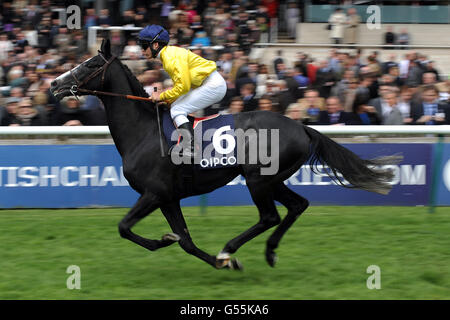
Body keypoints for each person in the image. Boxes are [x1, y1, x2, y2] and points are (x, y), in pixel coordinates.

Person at [138, 25, 227, 157]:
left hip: (213, 85)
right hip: (208, 83)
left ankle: (191, 146)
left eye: (144, 46)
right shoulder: (169, 54)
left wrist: (161, 96)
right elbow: (182, 86)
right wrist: (166, 99)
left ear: (155, 45)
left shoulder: (169, 58)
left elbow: (183, 87)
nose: (142, 51)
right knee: (174, 105)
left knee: (177, 110)